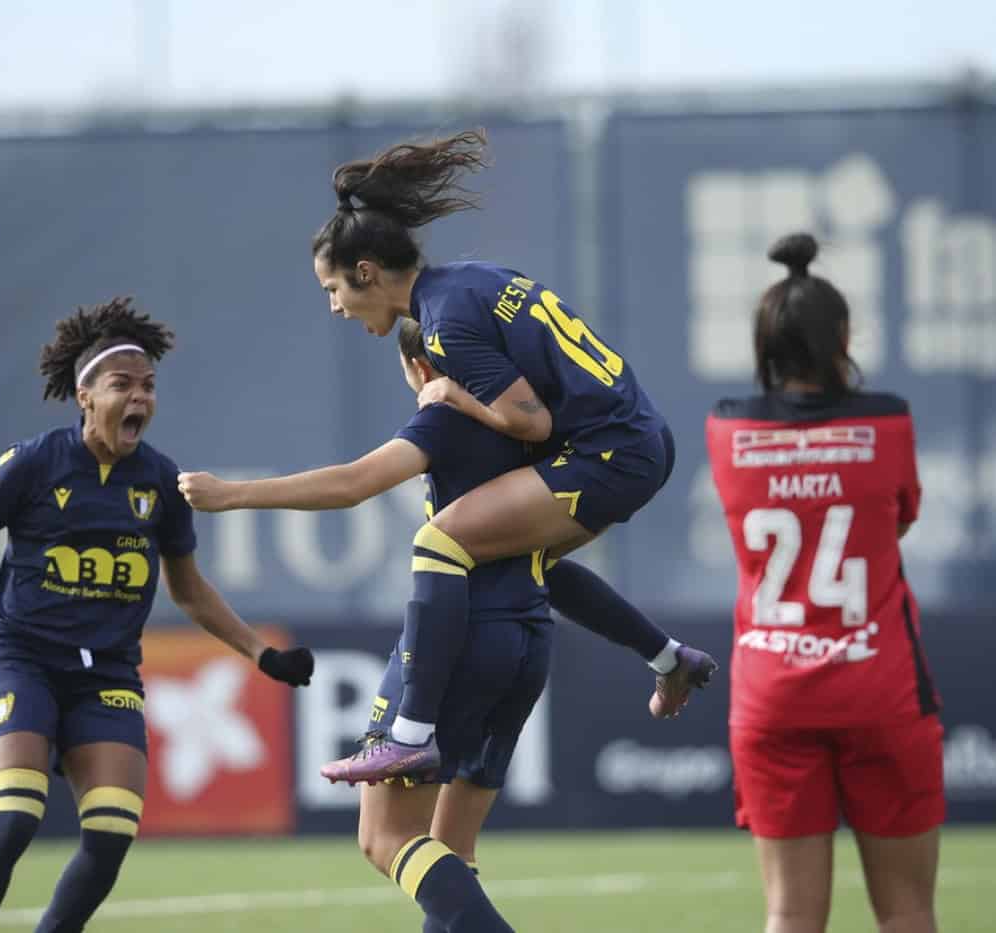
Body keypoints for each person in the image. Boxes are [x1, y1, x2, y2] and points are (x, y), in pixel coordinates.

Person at [0, 298, 314, 933]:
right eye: (123, 385)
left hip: (106, 676)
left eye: (149, 386)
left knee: (109, 838)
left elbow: (188, 590)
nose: (140, 398)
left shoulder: (160, 481)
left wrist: (262, 654)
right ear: (84, 394)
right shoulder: (32, 463)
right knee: (15, 818)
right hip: (20, 660)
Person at [292, 127, 710, 783]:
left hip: (610, 452)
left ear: (366, 272)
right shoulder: (473, 278)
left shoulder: (441, 322)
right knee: (526, 554)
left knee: (439, 541)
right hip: (641, 435)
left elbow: (531, 418)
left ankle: (408, 735)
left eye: (332, 289)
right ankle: (668, 657)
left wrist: (455, 395)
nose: (336, 306)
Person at [179, 320, 715, 786]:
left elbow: (353, 483)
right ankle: (666, 654)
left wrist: (232, 494)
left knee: (389, 842)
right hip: (529, 641)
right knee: (455, 846)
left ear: (419, 366)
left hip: (463, 640)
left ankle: (410, 733)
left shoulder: (443, 419)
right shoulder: (540, 426)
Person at [705, 234, 943, 933]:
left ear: (766, 339)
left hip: (772, 692)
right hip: (882, 685)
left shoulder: (727, 424)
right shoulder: (888, 418)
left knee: (789, 914)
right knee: (907, 912)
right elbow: (895, 522)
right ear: (843, 336)